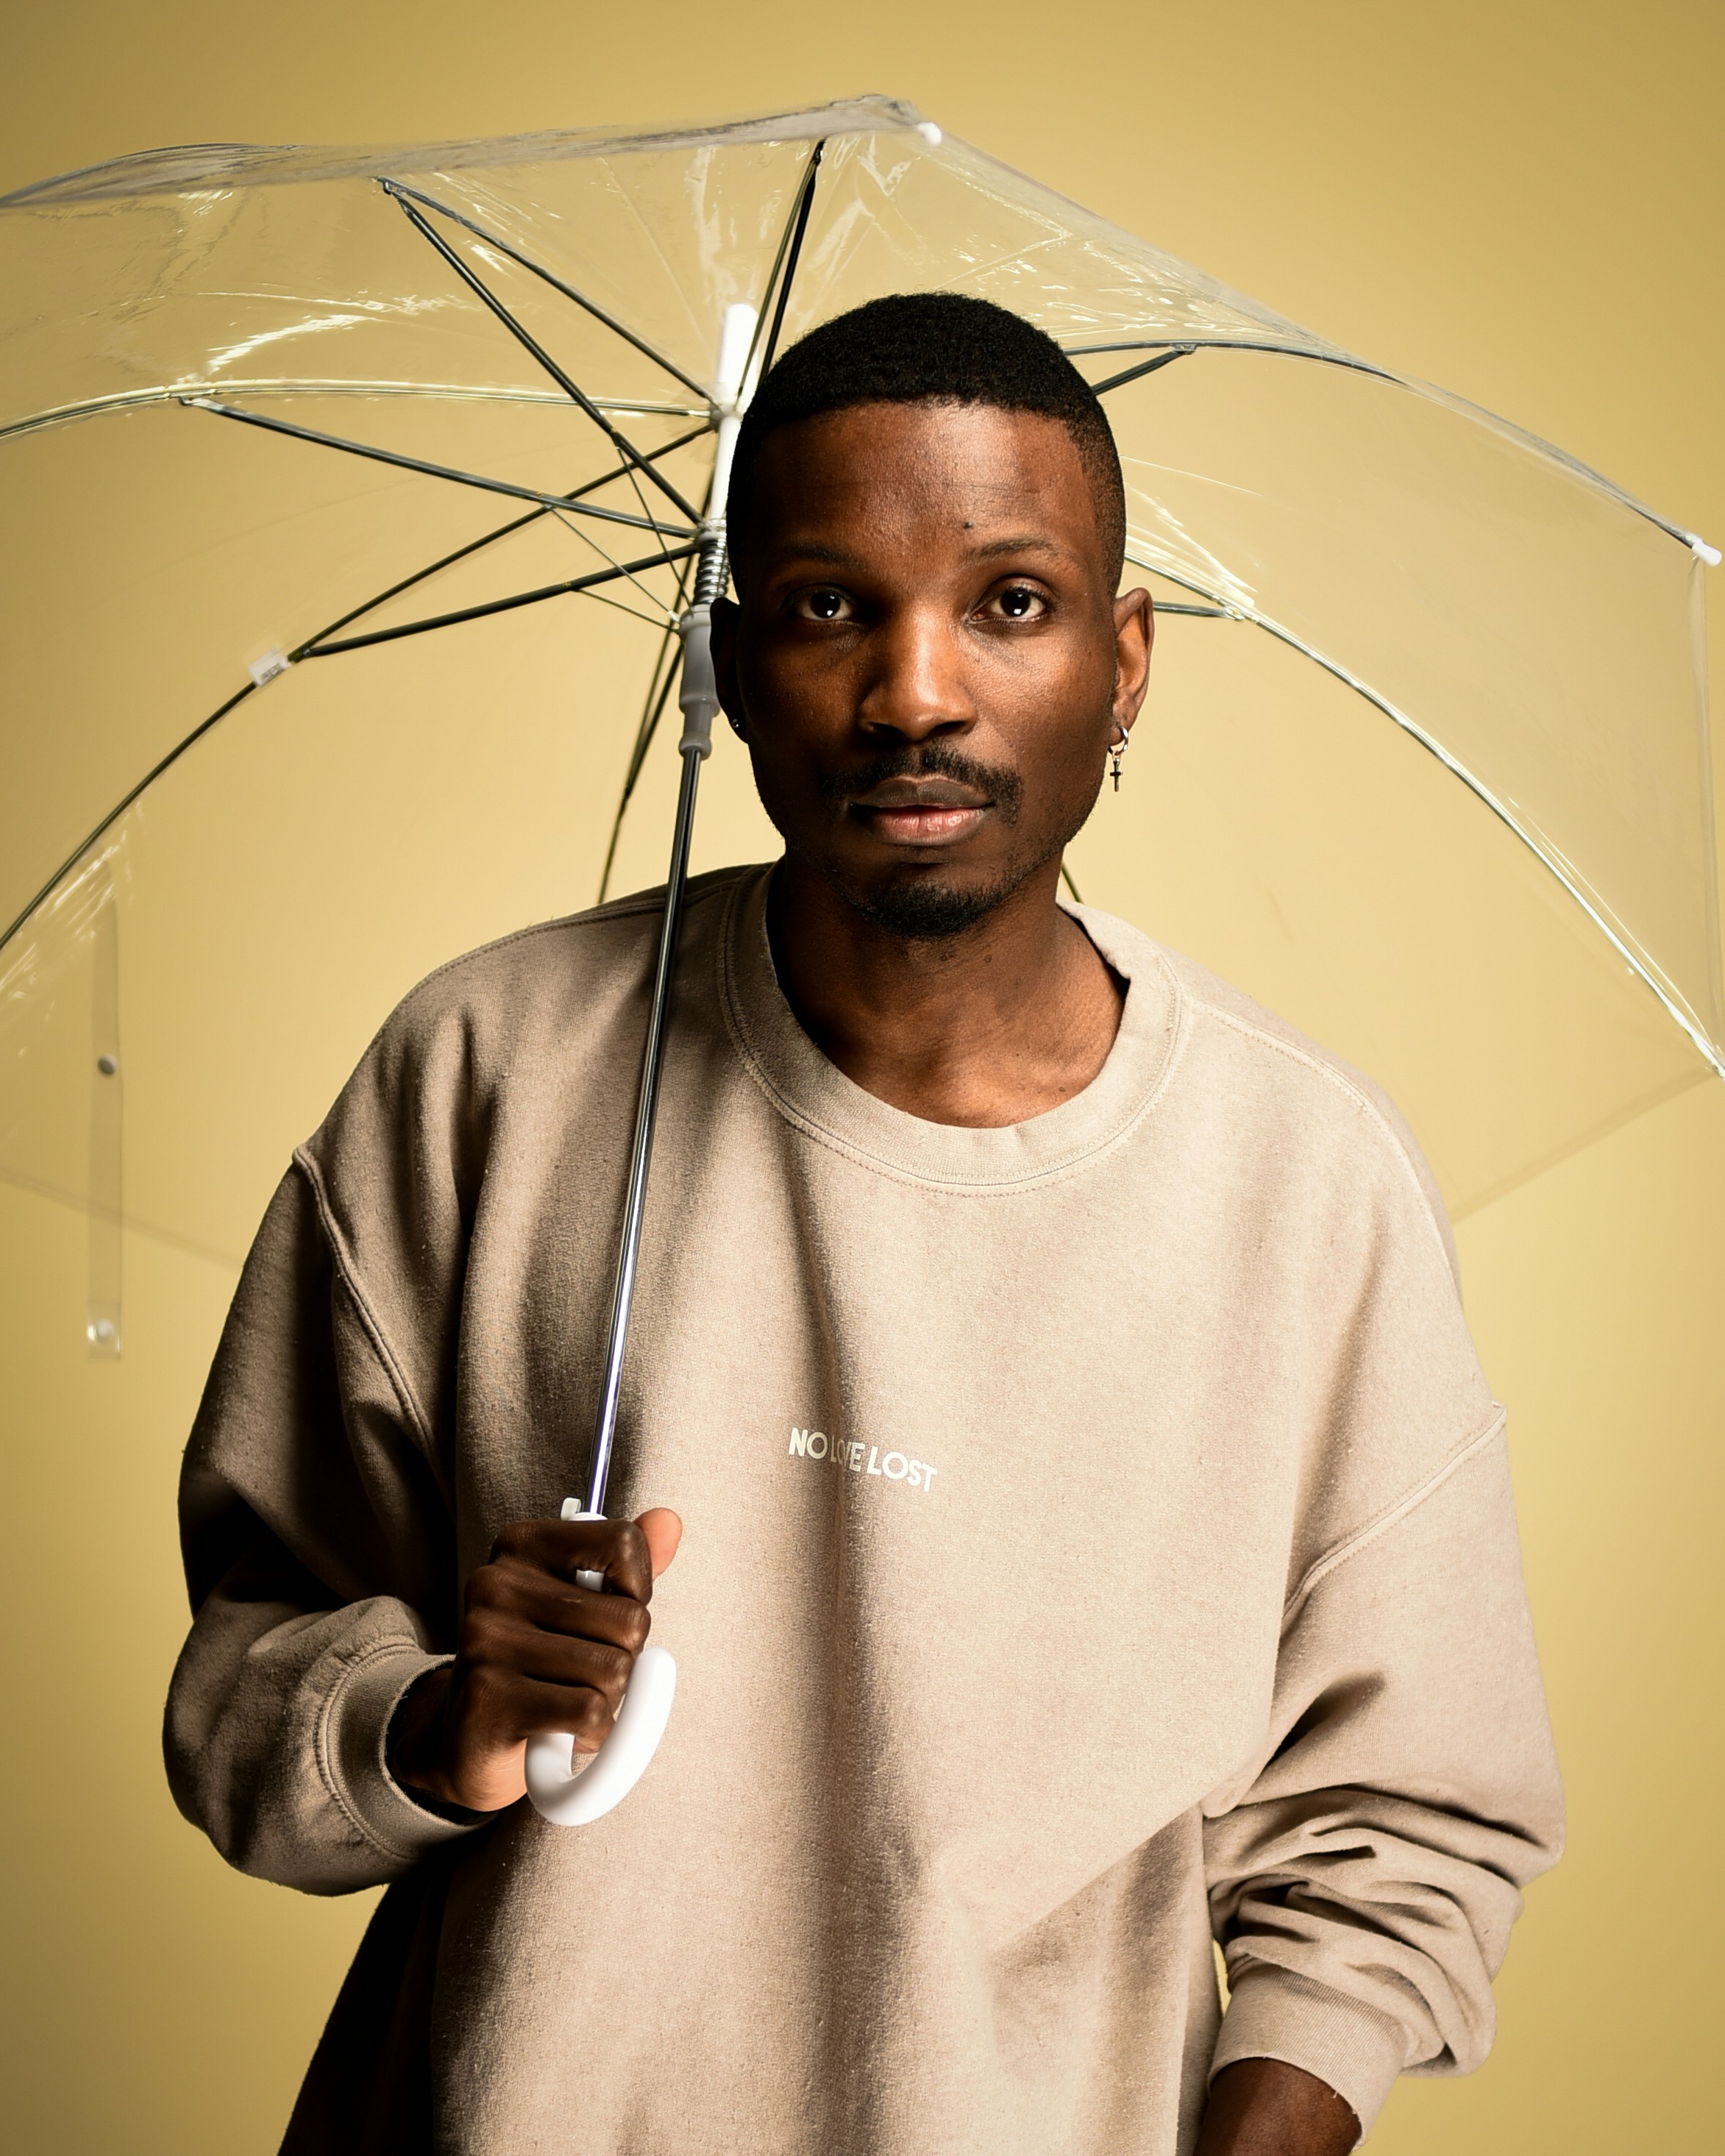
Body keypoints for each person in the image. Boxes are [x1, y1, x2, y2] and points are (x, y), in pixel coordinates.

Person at [166, 293, 1562, 2156]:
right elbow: (249, 1674)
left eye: (1011, 600)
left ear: (1126, 659)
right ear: (731, 666)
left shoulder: (1309, 1190)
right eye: (831, 603)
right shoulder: (487, 1070)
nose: (918, 690)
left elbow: (1398, 1836)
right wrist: (439, 1723)